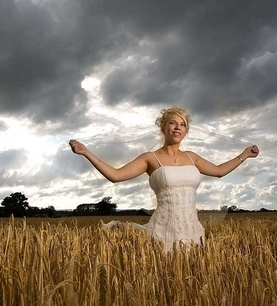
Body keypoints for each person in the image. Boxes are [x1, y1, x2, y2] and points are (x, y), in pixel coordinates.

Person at [69, 106, 259, 251]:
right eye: (173, 123)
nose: (178, 127)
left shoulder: (192, 157)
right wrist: (87, 153)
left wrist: (245, 155)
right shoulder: (150, 158)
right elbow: (116, 176)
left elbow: (219, 171)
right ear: (163, 127)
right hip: (163, 231)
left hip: (193, 230)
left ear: (186, 131)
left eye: (183, 124)